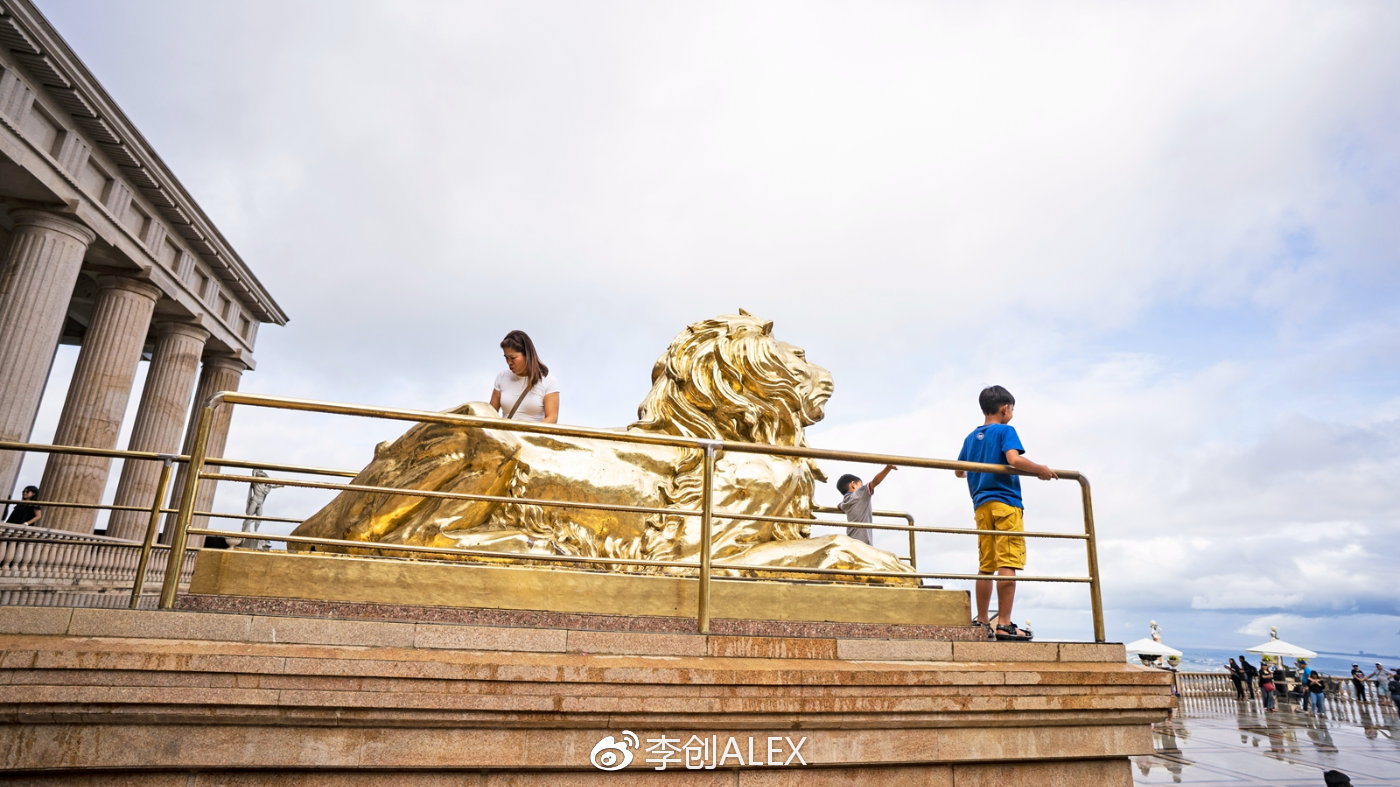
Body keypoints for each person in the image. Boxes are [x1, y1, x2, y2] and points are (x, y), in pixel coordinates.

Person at [954, 386, 1057, 642]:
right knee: (1008, 562)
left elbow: (958, 470)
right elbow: (1013, 459)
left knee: (986, 566)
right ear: (1005, 408)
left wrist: (977, 472)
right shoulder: (1006, 431)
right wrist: (1040, 469)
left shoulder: (971, 437)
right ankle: (1004, 623)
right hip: (1006, 503)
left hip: (981, 505)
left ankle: (981, 620)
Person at [489, 330, 559, 423]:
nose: (509, 362)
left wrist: (530, 435)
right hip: (505, 437)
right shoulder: (502, 377)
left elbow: (552, 418)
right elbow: (490, 415)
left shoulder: (548, 381)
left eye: (513, 358)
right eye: (506, 358)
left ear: (527, 355)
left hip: (532, 437)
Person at [835, 464, 897, 546]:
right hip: (863, 543)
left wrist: (839, 505)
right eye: (860, 484)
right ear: (853, 484)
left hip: (851, 542)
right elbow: (875, 482)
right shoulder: (860, 494)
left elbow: (840, 506)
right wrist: (887, 468)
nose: (862, 487)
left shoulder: (845, 502)